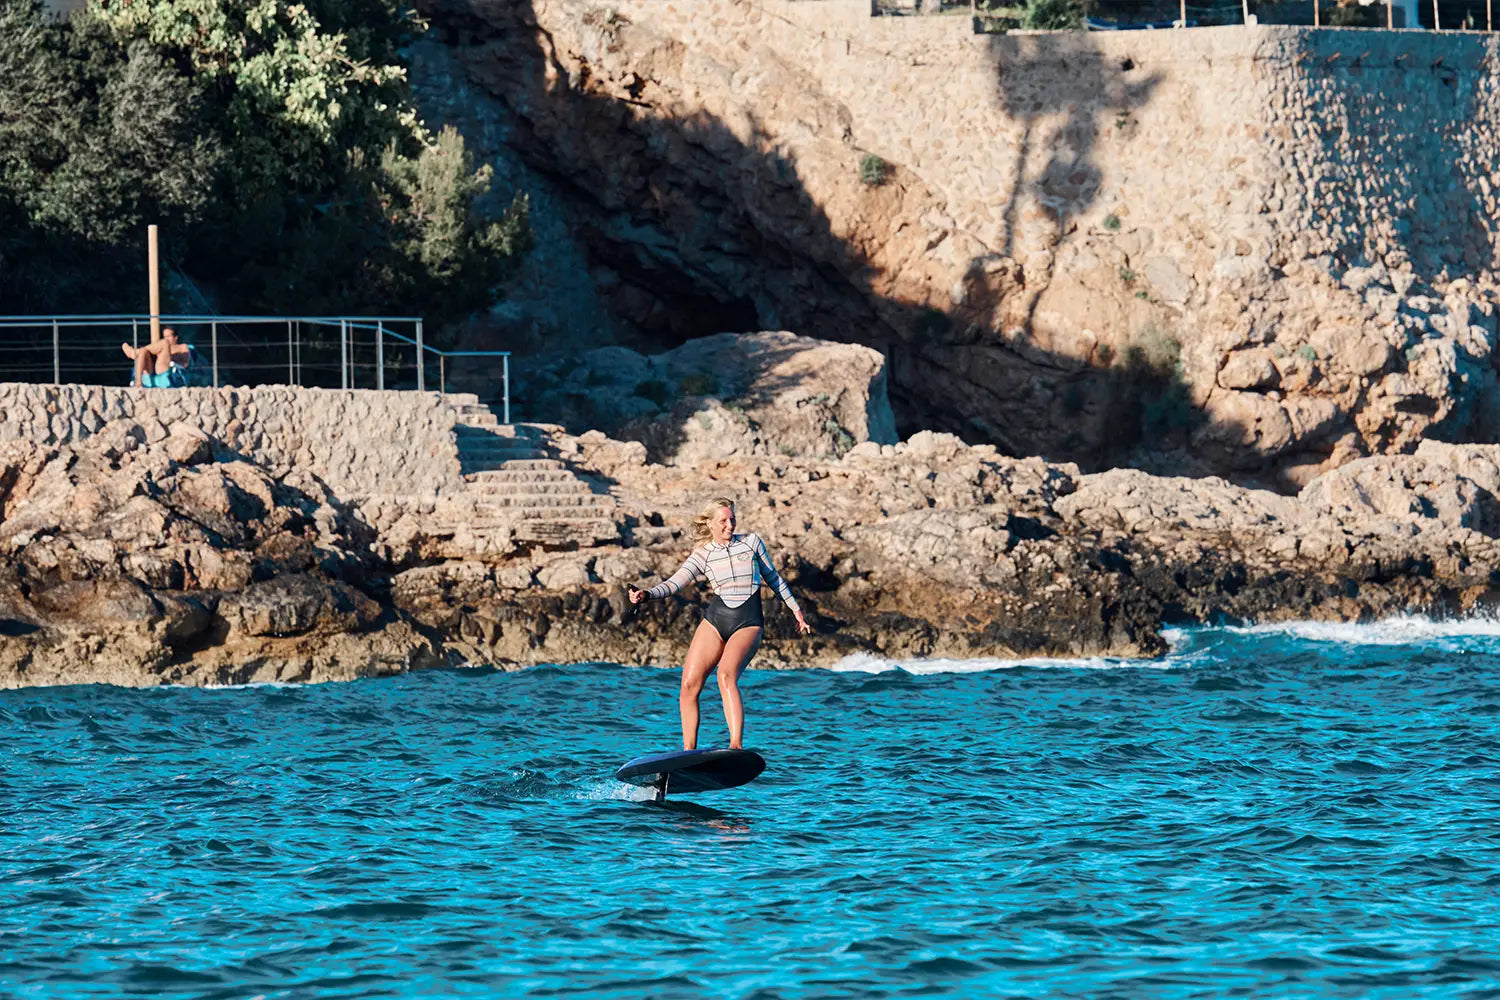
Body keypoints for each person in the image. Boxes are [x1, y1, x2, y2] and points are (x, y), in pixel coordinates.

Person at [629, 497, 812, 751]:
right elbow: (674, 583)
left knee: (725, 676)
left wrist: (796, 610)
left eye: (732, 519)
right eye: (723, 521)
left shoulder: (751, 543)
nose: (729, 525)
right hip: (716, 619)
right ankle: (688, 752)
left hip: (748, 621)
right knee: (688, 685)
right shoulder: (703, 555)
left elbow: (773, 578)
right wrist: (646, 594)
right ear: (711, 524)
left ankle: (735, 746)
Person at [121, 327, 191, 388]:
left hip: (166, 372)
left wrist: (168, 355)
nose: (167, 338)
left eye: (169, 336)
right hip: (151, 370)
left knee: (165, 343)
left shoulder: (182, 347)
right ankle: (138, 383)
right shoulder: (162, 347)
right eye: (165, 336)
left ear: (176, 337)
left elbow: (185, 363)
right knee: (143, 351)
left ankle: (134, 352)